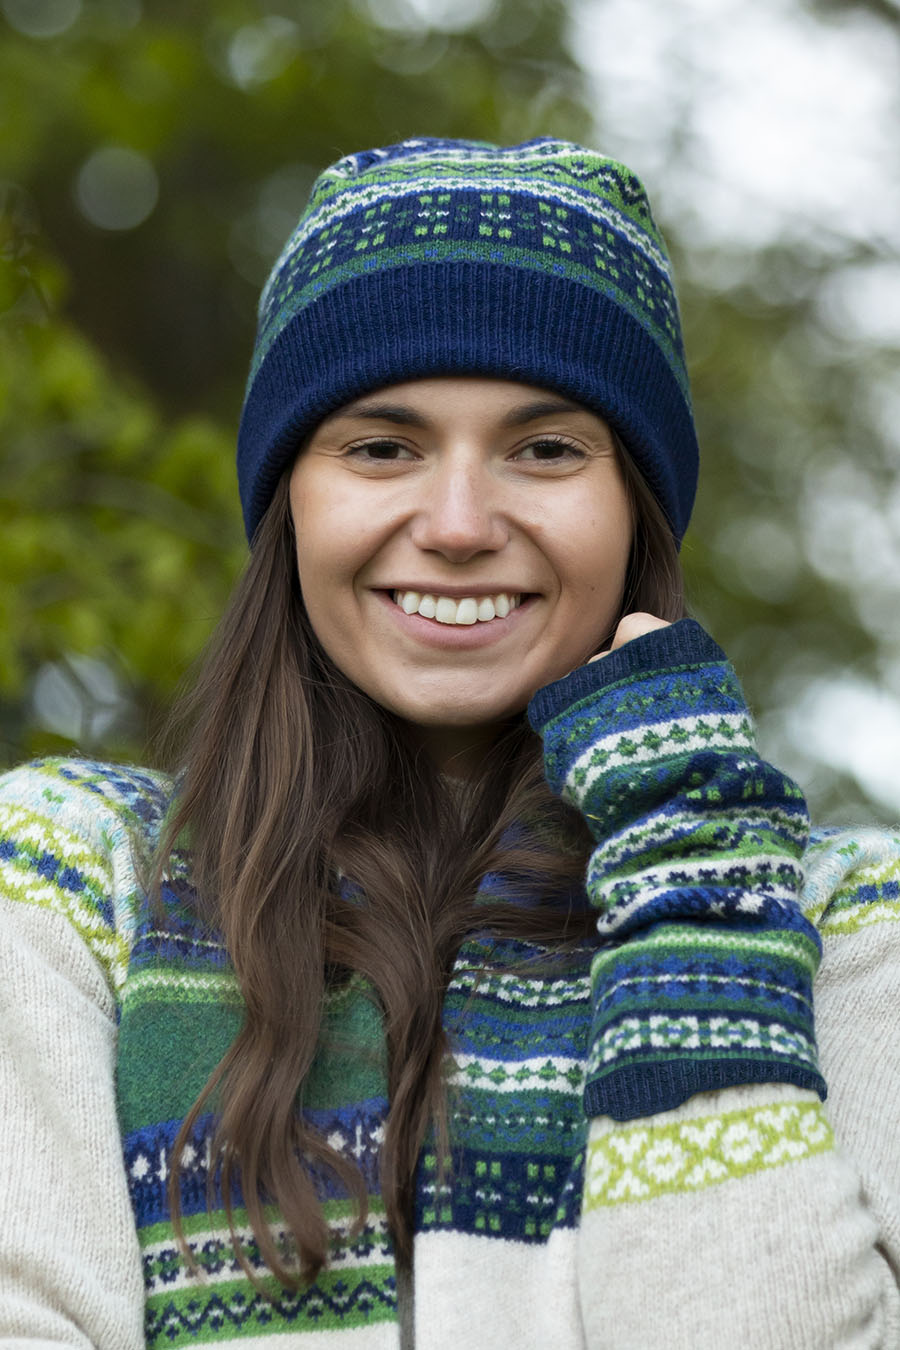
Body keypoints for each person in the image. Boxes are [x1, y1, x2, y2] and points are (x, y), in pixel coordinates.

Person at [0, 137, 898, 1349]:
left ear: (633, 509)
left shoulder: (843, 930)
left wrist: (694, 870)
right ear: (291, 503)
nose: (463, 524)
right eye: (382, 446)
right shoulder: (66, 882)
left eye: (545, 449)